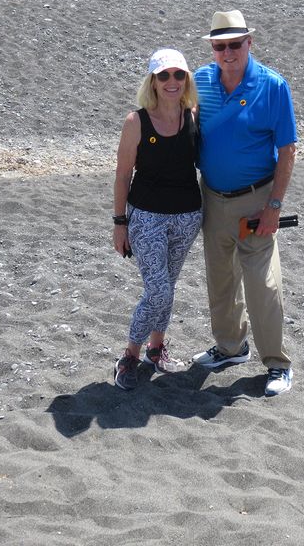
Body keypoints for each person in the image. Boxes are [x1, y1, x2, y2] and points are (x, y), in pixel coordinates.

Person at [192, 10, 297, 397]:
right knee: (220, 280)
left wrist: (274, 206)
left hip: (256, 201)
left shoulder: (272, 86)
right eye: (220, 46)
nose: (228, 52)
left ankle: (278, 364)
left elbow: (288, 150)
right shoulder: (200, 81)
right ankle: (230, 348)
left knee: (262, 286)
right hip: (212, 198)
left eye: (235, 44)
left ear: (249, 43)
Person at [112, 48, 202, 390]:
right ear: (152, 80)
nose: (172, 82)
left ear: (186, 80)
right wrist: (120, 222)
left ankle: (156, 349)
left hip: (187, 216)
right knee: (159, 290)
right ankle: (129, 356)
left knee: (168, 286)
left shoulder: (192, 115)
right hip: (146, 217)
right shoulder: (136, 121)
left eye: (179, 75)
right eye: (164, 75)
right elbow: (122, 176)